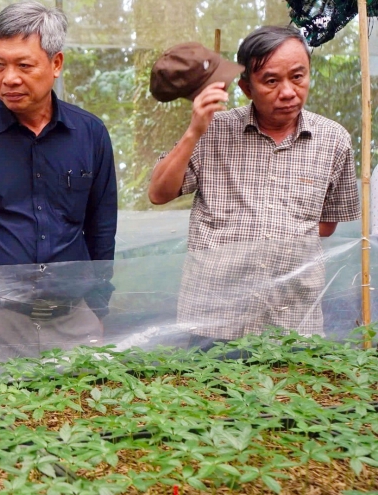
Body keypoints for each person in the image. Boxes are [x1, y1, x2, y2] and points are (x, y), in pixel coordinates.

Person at [0, 1, 117, 362]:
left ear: (56, 64)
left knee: (83, 397)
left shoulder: (90, 134)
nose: (9, 78)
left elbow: (101, 228)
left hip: (73, 318)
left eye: (24, 66)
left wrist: (98, 307)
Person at [148, 26, 360, 348]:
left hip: (293, 317)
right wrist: (194, 131)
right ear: (247, 87)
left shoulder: (334, 141)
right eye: (271, 81)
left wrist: (277, 240)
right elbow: (159, 194)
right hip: (216, 315)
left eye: (298, 77)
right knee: (211, 381)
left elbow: (327, 225)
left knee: (293, 382)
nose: (288, 92)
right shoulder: (214, 129)